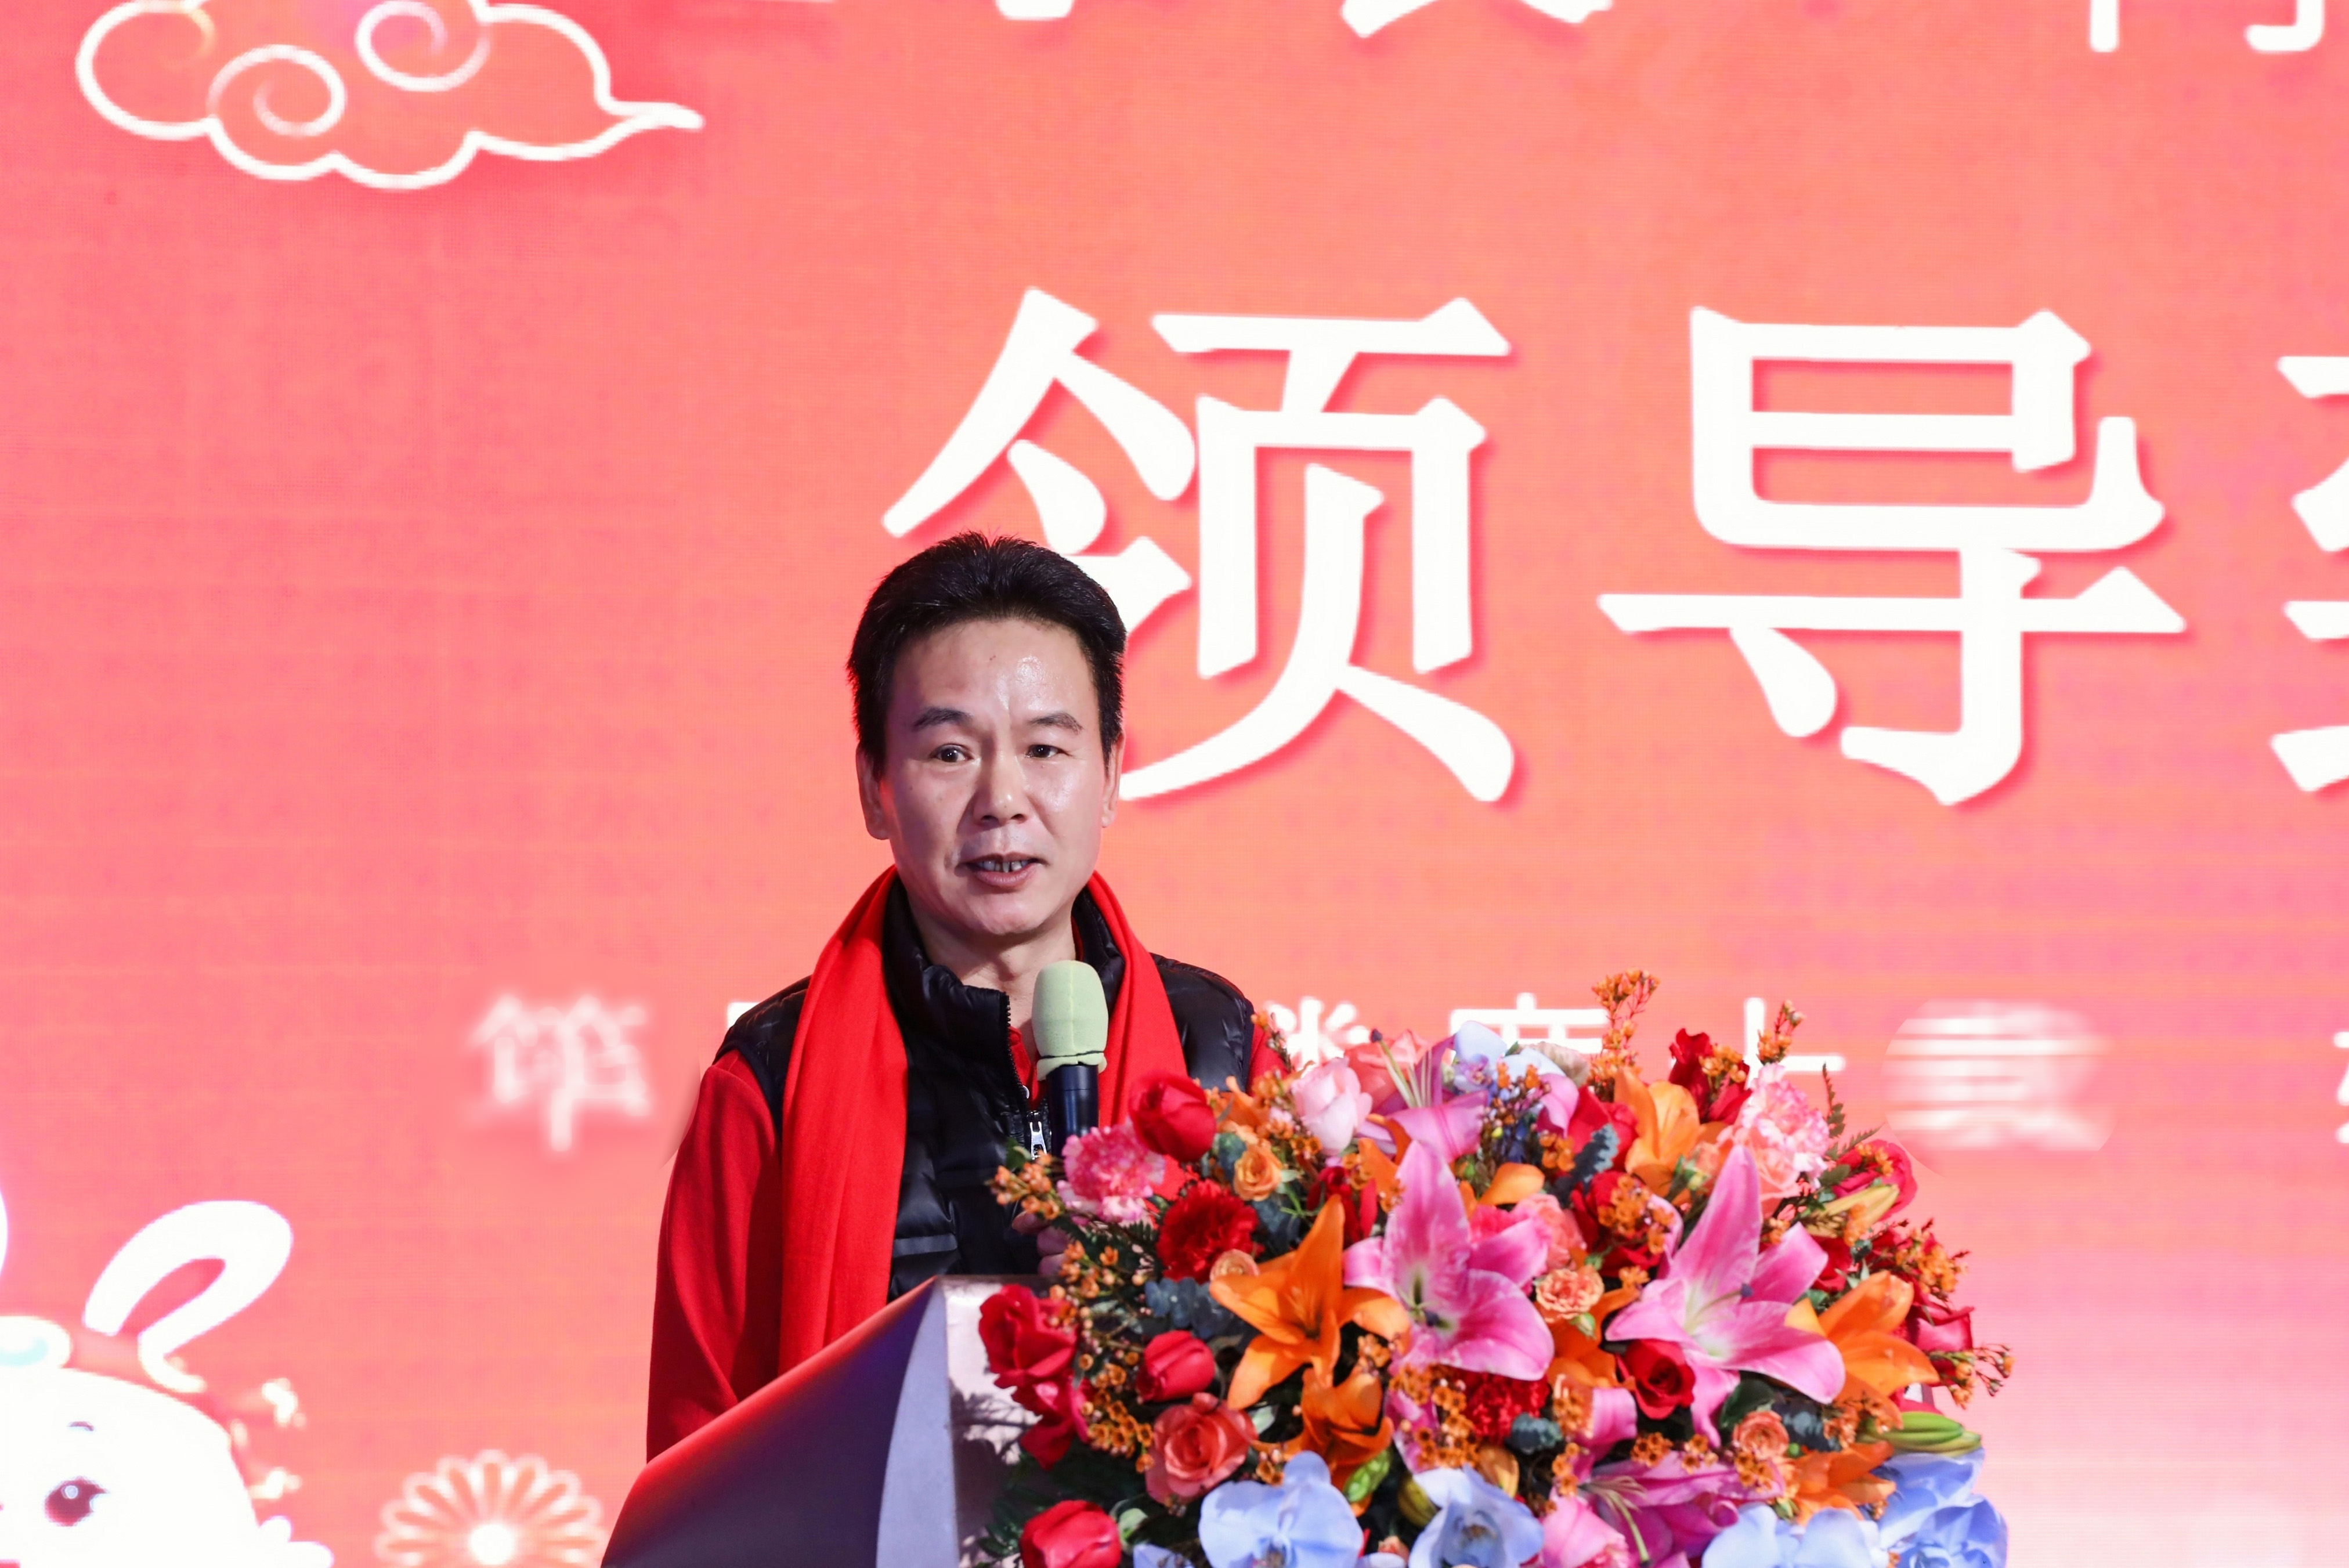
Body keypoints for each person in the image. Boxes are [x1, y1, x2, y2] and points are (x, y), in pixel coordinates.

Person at [645, 533, 1280, 1458]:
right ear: (875, 788)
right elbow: (698, 1460)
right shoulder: (769, 1083)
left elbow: (1301, 1402)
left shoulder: (1220, 1051)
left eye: (1046, 747)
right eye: (950, 751)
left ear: (1110, 774)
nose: (1002, 798)